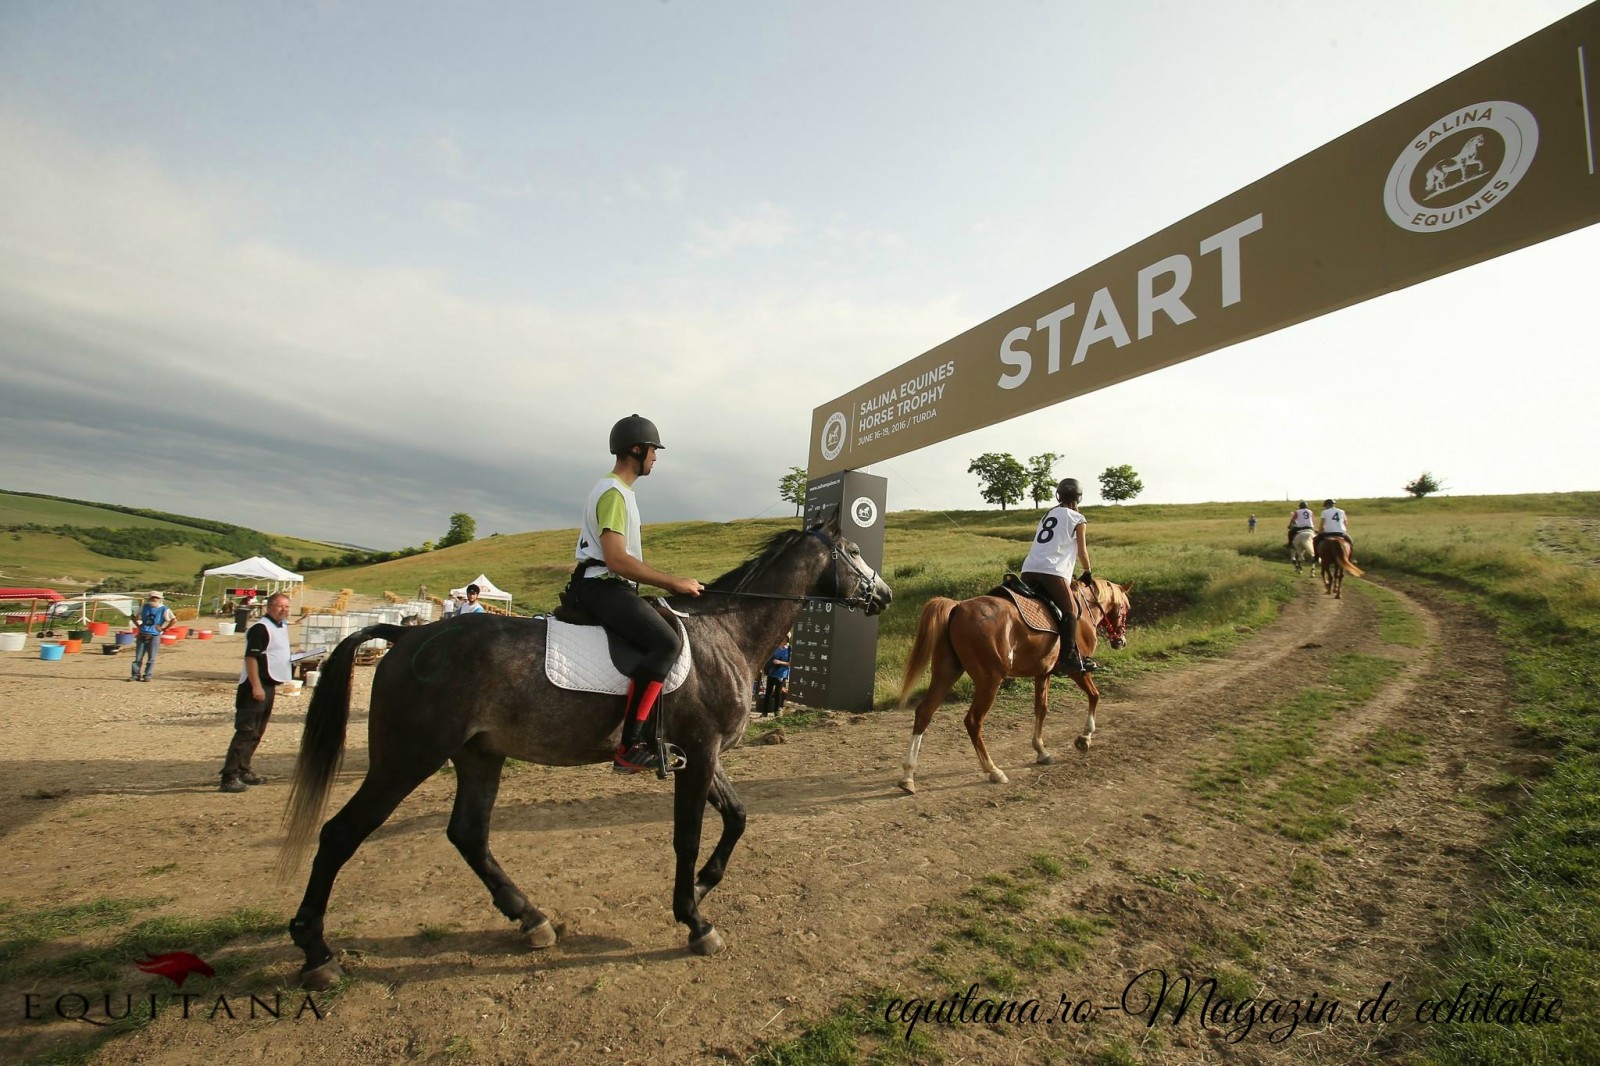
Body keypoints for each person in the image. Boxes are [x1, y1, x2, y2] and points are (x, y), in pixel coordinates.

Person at [568, 414, 704, 774]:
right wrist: (672, 582)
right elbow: (617, 560)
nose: (656, 458)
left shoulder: (619, 493)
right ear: (636, 449)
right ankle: (629, 745)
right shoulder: (614, 494)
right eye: (653, 450)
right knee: (666, 643)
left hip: (605, 585)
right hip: (601, 586)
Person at [1020, 478, 1096, 675]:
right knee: (1071, 610)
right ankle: (1068, 658)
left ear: (1058, 495)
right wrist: (1087, 571)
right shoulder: (1078, 519)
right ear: (1079, 497)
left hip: (1028, 570)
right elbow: (1082, 551)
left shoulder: (1048, 514)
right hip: (1052, 572)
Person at [219, 592, 293, 793]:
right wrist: (256, 686)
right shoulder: (261, 628)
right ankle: (229, 775)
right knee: (245, 731)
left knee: (257, 732)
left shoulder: (282, 626)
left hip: (270, 684)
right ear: (269, 607)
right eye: (280, 606)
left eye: (287, 606)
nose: (284, 610)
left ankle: (244, 769)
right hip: (254, 686)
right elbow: (250, 659)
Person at [129, 592, 175, 682]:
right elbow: (133, 616)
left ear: (159, 599)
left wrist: (164, 629)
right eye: (153, 598)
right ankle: (135, 675)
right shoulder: (144, 607)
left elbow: (174, 619)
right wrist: (138, 626)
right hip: (142, 633)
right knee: (138, 657)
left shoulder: (164, 609)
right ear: (149, 598)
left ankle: (147, 675)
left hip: (154, 635)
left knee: (151, 658)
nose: (154, 599)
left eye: (156, 598)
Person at [1315, 498, 1356, 564]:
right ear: (1333, 505)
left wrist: (1319, 532)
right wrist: (1343, 530)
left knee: (1316, 540)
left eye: (1325, 506)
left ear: (1327, 505)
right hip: (1341, 533)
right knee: (1350, 542)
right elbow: (1345, 522)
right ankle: (1350, 558)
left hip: (1328, 533)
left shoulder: (1324, 512)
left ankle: (1316, 556)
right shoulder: (1342, 511)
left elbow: (1322, 523)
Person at [761, 637, 791, 717]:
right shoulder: (774, 647)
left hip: (782, 673)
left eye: (785, 640)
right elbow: (767, 658)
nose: (784, 642)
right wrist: (764, 669)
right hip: (772, 672)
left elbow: (790, 663)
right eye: (783, 640)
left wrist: (779, 662)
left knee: (778, 692)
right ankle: (765, 712)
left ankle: (776, 711)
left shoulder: (789, 649)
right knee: (768, 692)